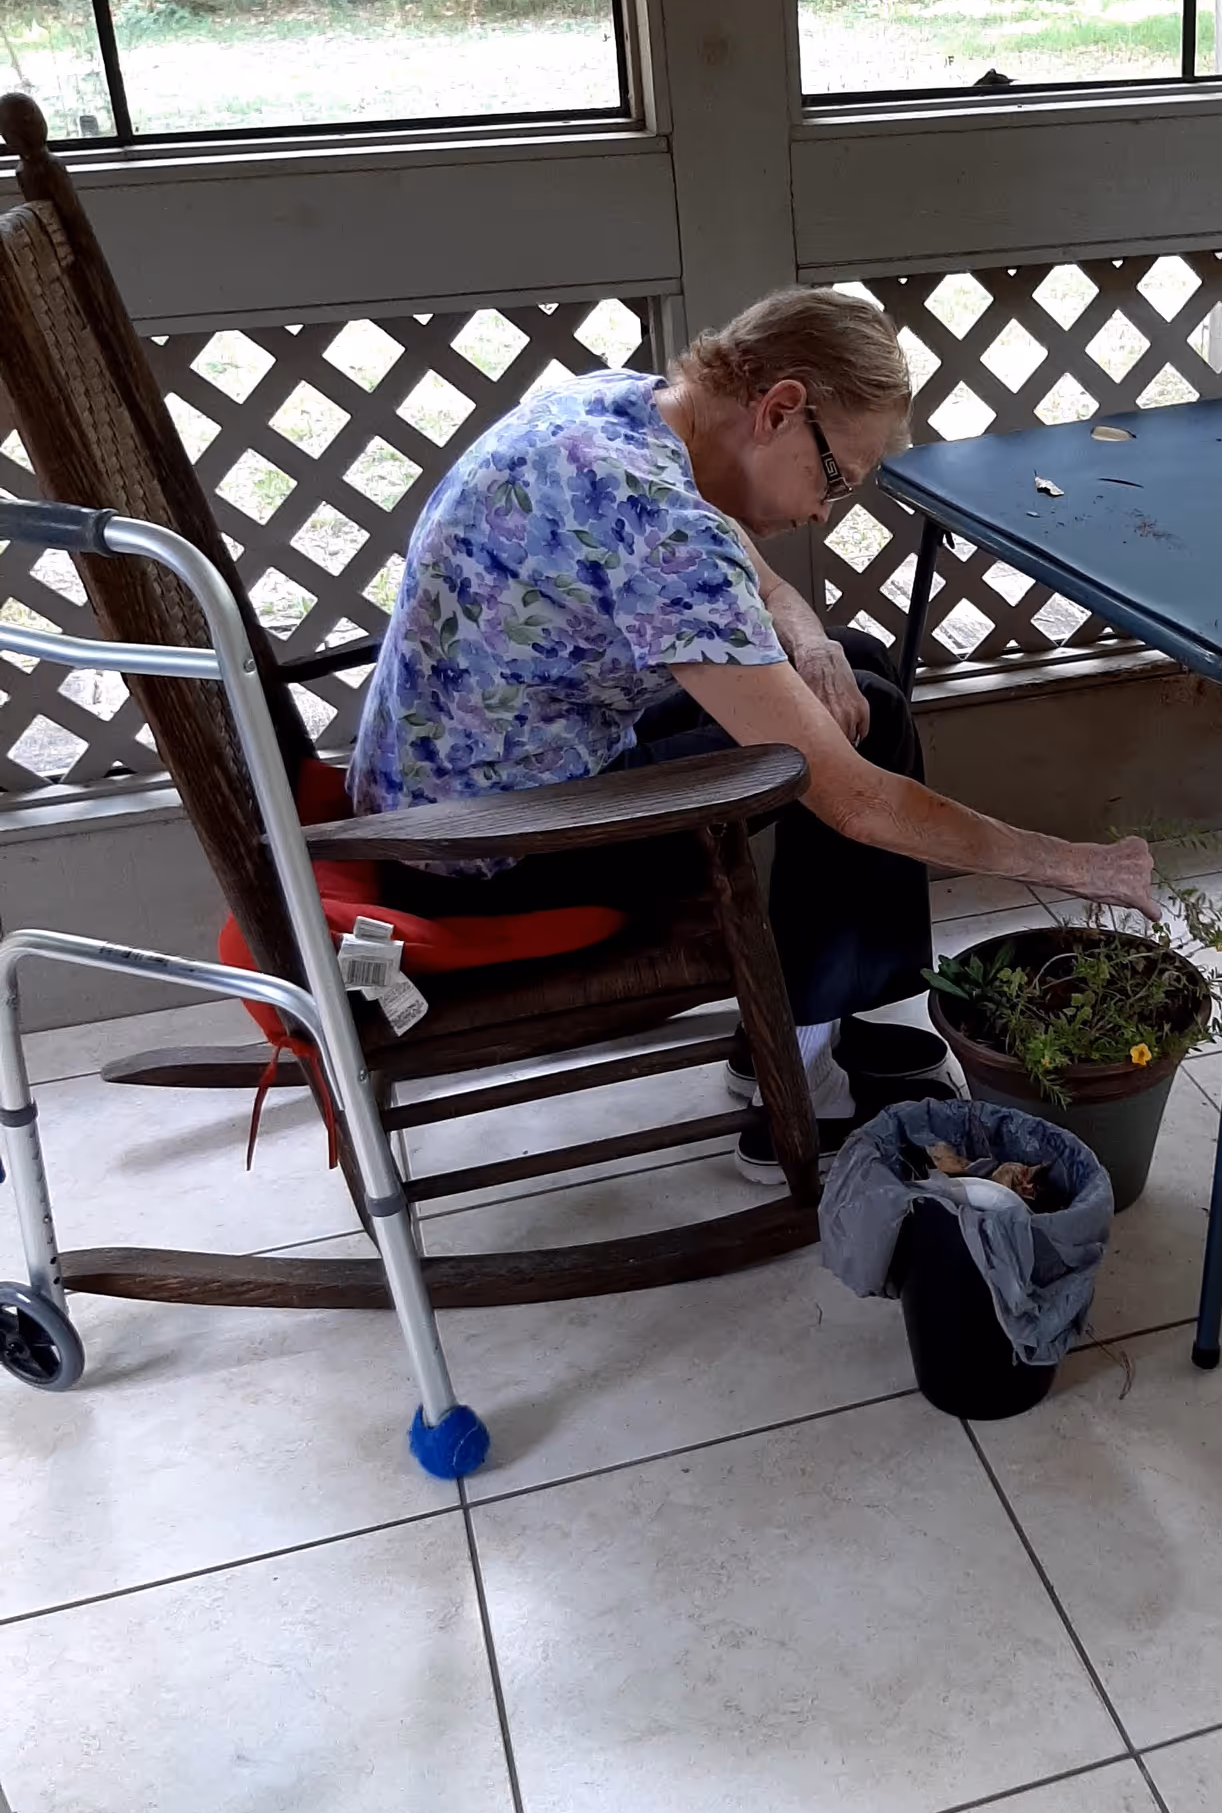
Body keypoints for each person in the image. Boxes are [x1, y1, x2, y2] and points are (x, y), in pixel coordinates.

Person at [348, 288, 1154, 1177]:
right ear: (779, 410)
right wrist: (1078, 865)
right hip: (494, 851)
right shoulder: (662, 531)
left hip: (445, 788)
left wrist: (811, 642)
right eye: (837, 478)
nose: (824, 513)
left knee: (855, 662)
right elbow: (854, 803)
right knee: (862, 740)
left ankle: (804, 1027)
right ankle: (799, 1098)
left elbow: (749, 570)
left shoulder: (621, 409)